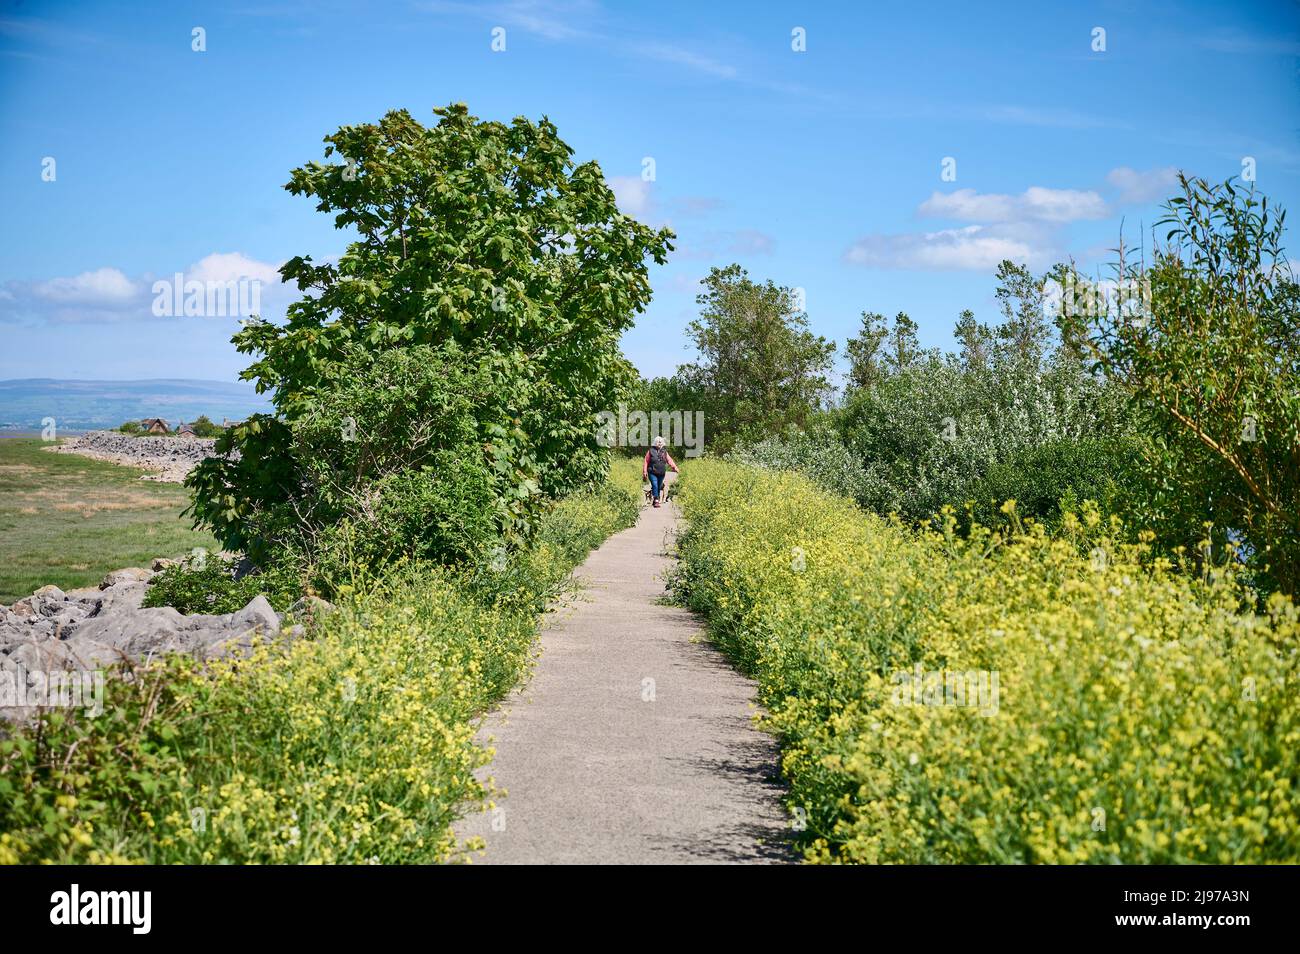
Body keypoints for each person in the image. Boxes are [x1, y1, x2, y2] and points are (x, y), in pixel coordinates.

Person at [642, 436, 679, 508]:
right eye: (658, 442)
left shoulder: (664, 452)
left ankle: (656, 499)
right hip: (652, 472)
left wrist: (675, 467)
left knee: (658, 486)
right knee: (655, 484)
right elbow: (646, 461)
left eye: (660, 442)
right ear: (655, 442)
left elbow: (669, 460)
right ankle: (656, 500)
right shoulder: (650, 451)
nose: (659, 443)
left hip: (661, 473)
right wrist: (644, 472)